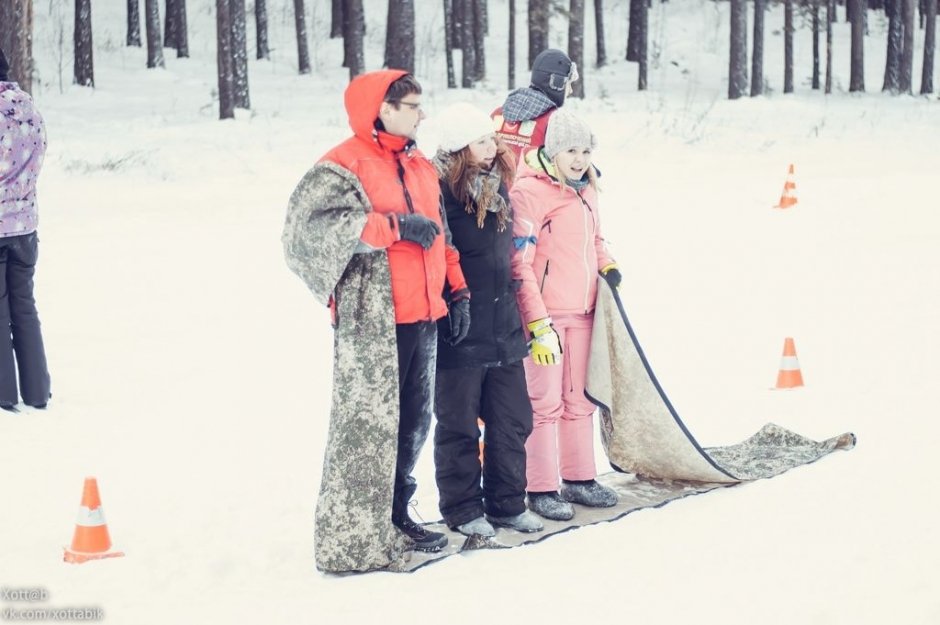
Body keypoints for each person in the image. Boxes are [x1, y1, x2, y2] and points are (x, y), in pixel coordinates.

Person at [282, 70, 470, 572]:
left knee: (414, 422)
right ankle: (357, 530)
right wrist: (392, 227)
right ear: (383, 109)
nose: (421, 113)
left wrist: (459, 290)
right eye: (412, 105)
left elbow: (443, 234)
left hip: (425, 315)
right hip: (375, 323)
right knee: (368, 427)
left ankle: (395, 512)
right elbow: (308, 233)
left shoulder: (420, 164)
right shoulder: (343, 164)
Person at [430, 103, 543, 538]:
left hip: (504, 328)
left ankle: (508, 504)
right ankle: (462, 510)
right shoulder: (440, 194)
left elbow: (512, 261)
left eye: (491, 137)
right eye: (480, 139)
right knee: (458, 425)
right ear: (458, 146)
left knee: (513, 419)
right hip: (460, 331)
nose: (492, 146)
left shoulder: (497, 190)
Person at [509, 110, 623, 521]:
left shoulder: (586, 189)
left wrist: (607, 265)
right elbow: (519, 263)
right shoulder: (529, 192)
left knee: (580, 399)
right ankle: (539, 487)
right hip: (547, 317)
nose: (580, 158)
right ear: (552, 151)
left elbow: (594, 239)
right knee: (544, 403)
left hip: (584, 310)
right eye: (572, 150)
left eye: (586, 150)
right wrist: (537, 324)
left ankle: (579, 479)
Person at [0, 48, 51, 412]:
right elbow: (39, 153)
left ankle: (3, 393)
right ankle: (36, 391)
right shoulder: (28, 107)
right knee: (24, 307)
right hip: (25, 226)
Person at [492, 48, 579, 160]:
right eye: (569, 84)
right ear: (557, 83)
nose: (570, 90)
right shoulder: (556, 123)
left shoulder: (497, 115)